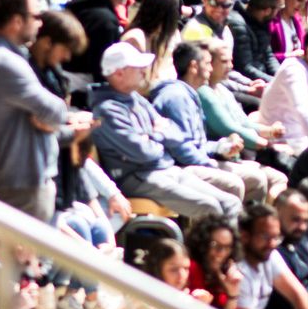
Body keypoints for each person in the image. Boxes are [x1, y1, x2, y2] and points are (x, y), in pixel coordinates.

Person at [90, 42, 242, 220]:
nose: (144, 70)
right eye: (137, 67)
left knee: (231, 203)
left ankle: (232, 247)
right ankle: (211, 247)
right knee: (209, 208)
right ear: (118, 73)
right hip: (138, 176)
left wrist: (152, 137)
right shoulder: (107, 110)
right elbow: (143, 153)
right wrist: (160, 135)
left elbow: (177, 135)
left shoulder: (136, 99)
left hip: (166, 169)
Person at [0, 0, 88, 222]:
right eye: (36, 16)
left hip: (27, 182)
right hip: (19, 185)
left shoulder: (12, 56)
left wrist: (54, 121)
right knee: (23, 259)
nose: (40, 22)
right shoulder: (3, 61)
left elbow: (50, 116)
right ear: (17, 21)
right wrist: (61, 118)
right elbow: (54, 111)